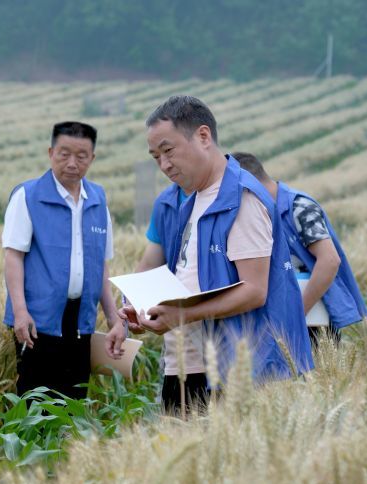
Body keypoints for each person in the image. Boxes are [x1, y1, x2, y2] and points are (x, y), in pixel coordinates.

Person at [108, 95, 312, 414]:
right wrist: (142, 305)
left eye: (168, 150)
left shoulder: (240, 198)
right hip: (189, 360)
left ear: (203, 137)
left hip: (233, 368)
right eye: (155, 156)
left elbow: (255, 291)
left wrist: (181, 316)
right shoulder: (195, 199)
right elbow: (189, 275)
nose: (163, 165)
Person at [3, 121, 122, 398]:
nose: (72, 163)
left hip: (81, 321)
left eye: (81, 156)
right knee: (36, 401)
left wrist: (114, 318)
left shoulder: (98, 199)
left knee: (74, 399)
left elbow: (101, 266)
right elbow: (13, 257)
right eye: (64, 154)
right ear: (50, 152)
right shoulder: (28, 196)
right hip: (37, 321)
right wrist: (20, 312)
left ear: (92, 158)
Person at [232, 152, 367, 346]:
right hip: (275, 321)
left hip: (312, 319)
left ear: (249, 185)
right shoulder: (257, 214)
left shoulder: (299, 207)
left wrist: (296, 315)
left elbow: (329, 261)